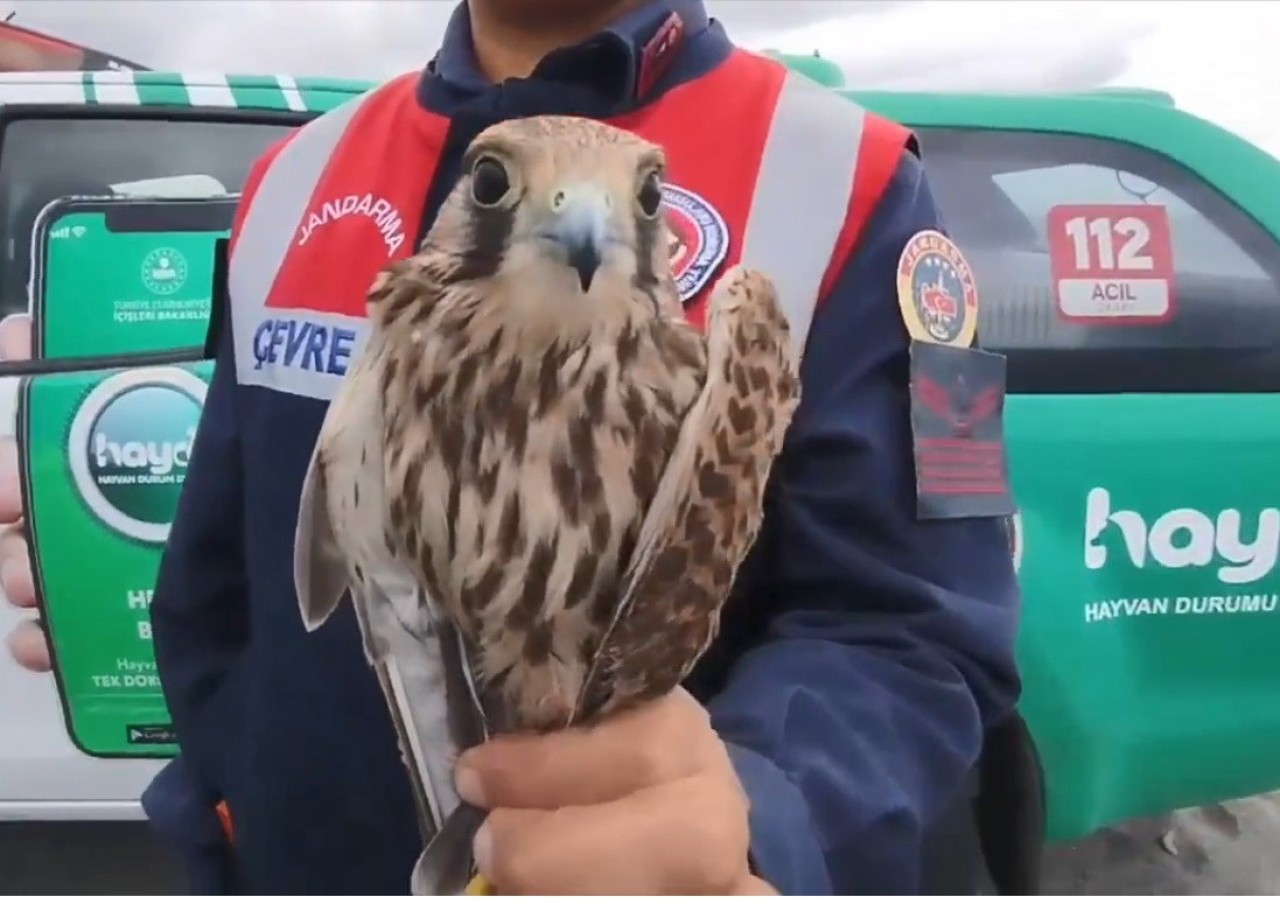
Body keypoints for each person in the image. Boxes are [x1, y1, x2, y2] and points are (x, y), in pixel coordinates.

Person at [1, 0, 1021, 895]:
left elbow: (928, 633)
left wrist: (762, 809)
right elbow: (228, 566)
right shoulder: (294, 171)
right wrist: (207, 780)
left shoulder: (862, 179)